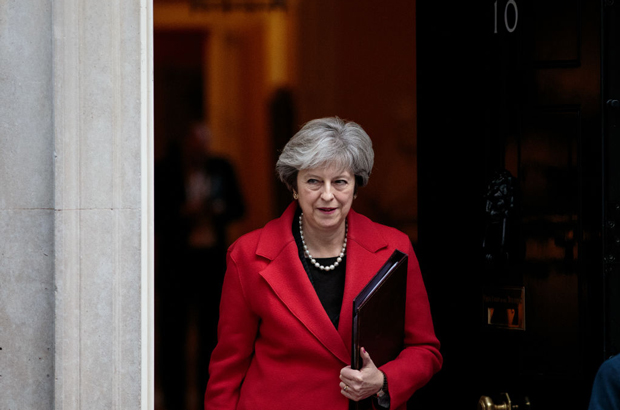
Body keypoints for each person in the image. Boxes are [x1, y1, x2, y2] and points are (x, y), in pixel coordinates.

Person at [204, 117, 442, 410]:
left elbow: (425, 349)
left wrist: (383, 380)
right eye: (313, 181)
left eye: (340, 181)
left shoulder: (395, 249)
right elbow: (227, 370)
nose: (327, 195)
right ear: (294, 186)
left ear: (355, 187)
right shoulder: (246, 256)